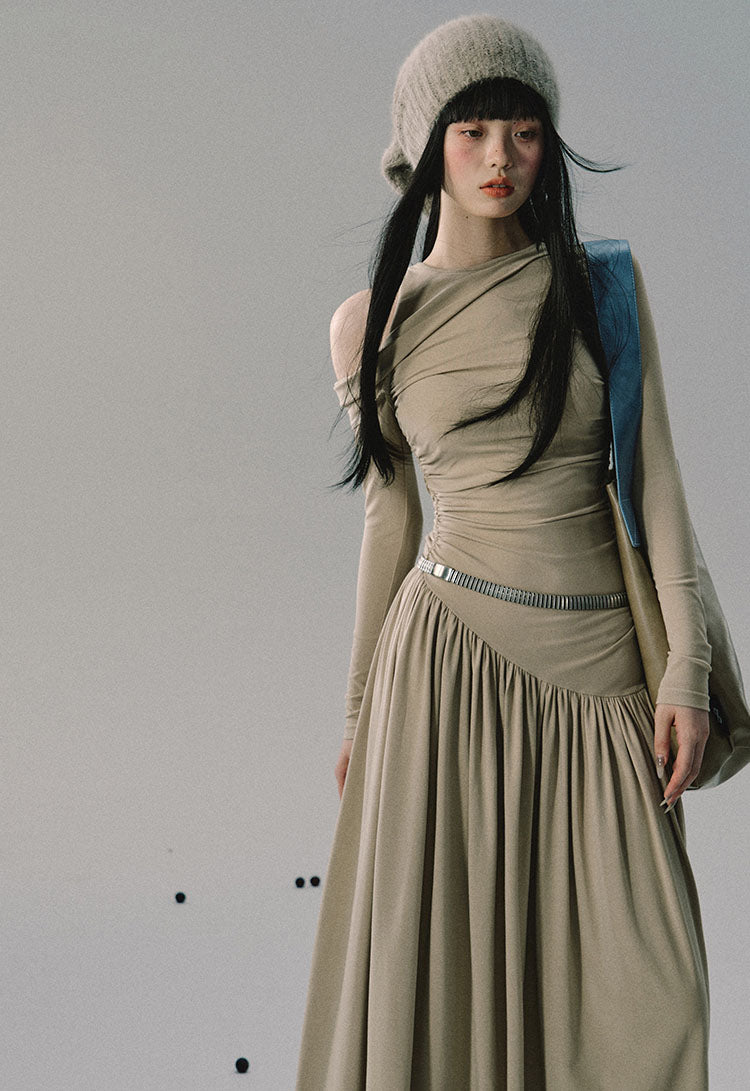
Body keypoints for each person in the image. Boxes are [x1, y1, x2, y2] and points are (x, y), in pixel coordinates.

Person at [296, 14, 712, 1090]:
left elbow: (656, 481)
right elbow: (390, 521)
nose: (499, 157)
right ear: (425, 145)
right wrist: (357, 713)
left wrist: (687, 667)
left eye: (524, 131)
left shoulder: (599, 286)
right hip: (444, 670)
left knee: (654, 991)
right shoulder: (370, 324)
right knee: (451, 982)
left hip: (604, 668)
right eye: (472, 130)